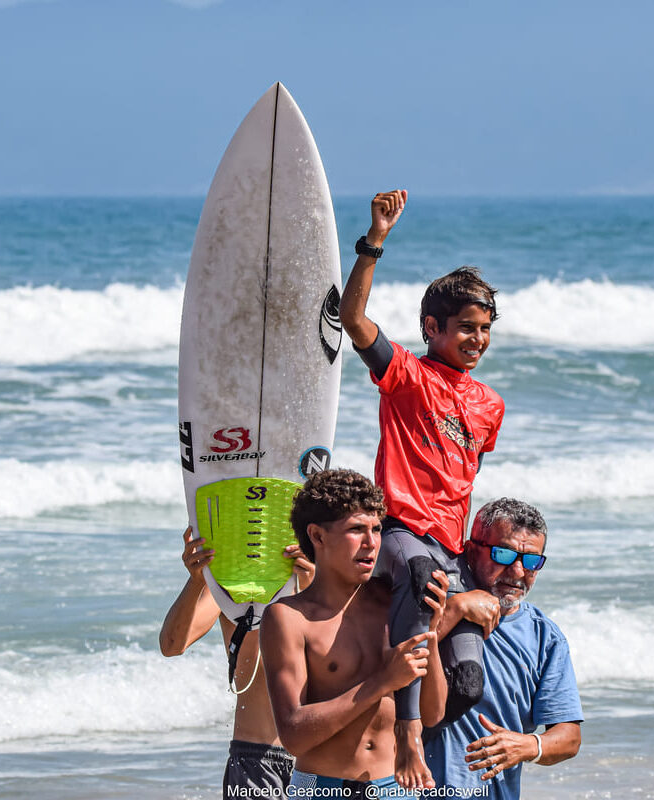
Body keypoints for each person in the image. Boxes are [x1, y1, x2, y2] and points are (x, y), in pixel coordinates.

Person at [339, 189, 505, 786]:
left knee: (466, 683)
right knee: (420, 575)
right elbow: (353, 320)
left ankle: (411, 752)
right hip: (402, 536)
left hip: (447, 547)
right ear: (431, 327)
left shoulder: (491, 404)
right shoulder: (406, 375)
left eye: (485, 330)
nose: (477, 340)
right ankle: (406, 738)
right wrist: (375, 238)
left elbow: (461, 477)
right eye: (465, 328)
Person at [259, 468, 450, 793]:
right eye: (356, 530)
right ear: (318, 536)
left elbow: (432, 714)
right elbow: (293, 735)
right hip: (322, 788)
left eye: (376, 529)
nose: (372, 543)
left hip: (396, 788)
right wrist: (382, 683)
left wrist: (429, 631)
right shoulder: (288, 618)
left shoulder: (394, 604)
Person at [425, 498, 583, 800]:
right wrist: (455, 609)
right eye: (503, 554)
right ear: (471, 551)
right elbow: (387, 665)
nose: (518, 571)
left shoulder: (544, 638)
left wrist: (528, 746)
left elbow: (569, 738)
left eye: (532, 561)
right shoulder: (433, 599)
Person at [159, 526, 314, 798]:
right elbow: (172, 645)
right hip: (256, 761)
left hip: (319, 762)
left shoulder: (323, 577)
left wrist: (312, 583)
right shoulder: (232, 583)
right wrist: (197, 581)